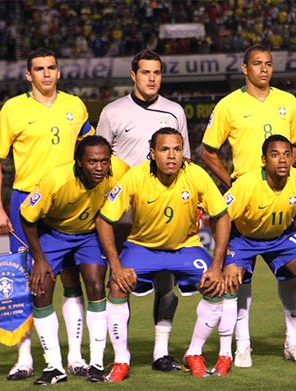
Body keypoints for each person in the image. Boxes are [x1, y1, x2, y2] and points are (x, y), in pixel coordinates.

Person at [0, 48, 94, 380]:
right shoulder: (13, 109)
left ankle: (75, 357)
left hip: (68, 203)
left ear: (59, 72)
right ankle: (25, 358)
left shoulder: (75, 106)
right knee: (26, 280)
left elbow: (92, 151)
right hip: (25, 204)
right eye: (38, 69)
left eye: (51, 68)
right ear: (28, 75)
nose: (46, 73)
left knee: (72, 278)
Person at [95, 128, 231, 381]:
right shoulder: (135, 177)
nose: (171, 156)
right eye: (165, 149)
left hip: (185, 247)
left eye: (177, 149)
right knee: (116, 287)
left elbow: (222, 215)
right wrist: (116, 266)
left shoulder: (196, 175)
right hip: (142, 247)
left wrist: (216, 265)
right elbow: (104, 220)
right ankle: (121, 359)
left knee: (215, 287)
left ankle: (194, 353)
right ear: (152, 153)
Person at [200, 45, 296, 367]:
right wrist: (231, 182)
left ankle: (293, 342)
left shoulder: (288, 103)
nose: (264, 69)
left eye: (268, 64)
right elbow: (207, 151)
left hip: (276, 203)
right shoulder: (228, 105)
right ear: (245, 68)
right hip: (243, 205)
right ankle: (243, 345)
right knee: (238, 278)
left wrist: (281, 176)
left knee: (288, 274)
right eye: (257, 64)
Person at [96, 49, 191, 371]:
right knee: (118, 281)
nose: (152, 78)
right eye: (146, 72)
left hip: (163, 212)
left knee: (166, 281)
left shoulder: (174, 111)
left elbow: (185, 161)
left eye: (157, 72)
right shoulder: (112, 112)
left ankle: (160, 353)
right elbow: (98, 160)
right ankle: (118, 356)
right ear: (133, 75)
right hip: (123, 212)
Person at [217, 135, 296, 373]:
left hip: (281, 237)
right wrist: (224, 258)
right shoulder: (247, 184)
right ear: (263, 159)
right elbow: (221, 216)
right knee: (231, 283)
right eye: (275, 154)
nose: (282, 160)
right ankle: (240, 347)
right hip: (243, 238)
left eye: (287, 154)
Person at [19, 136, 128, 384]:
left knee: (97, 285)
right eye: (92, 161)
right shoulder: (56, 180)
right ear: (79, 162)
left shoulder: (118, 170)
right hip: (53, 232)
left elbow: (142, 179)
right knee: (41, 289)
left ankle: (97, 363)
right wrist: (39, 259)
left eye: (104, 161)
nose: (100, 167)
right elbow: (27, 216)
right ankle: (54, 367)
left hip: (90, 234)